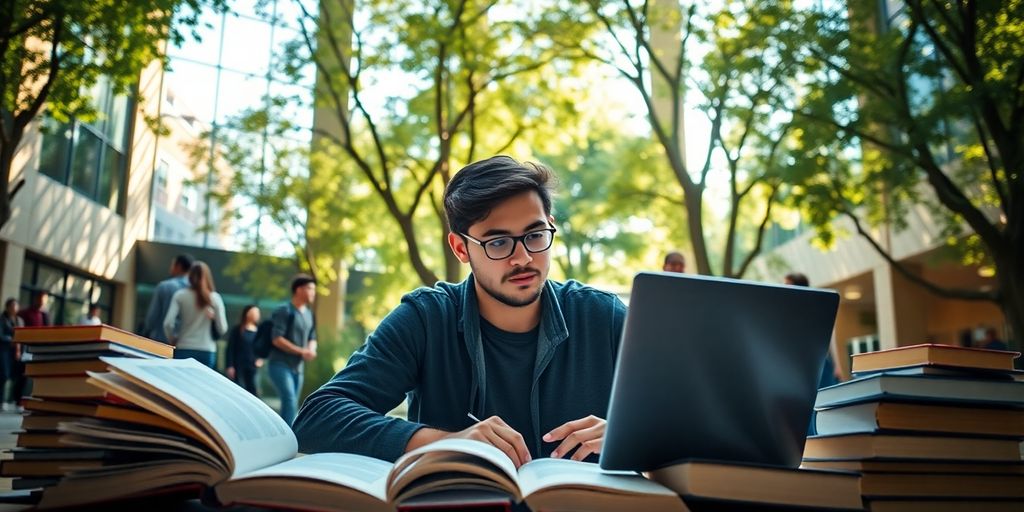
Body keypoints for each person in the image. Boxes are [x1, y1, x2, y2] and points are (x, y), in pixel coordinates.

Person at [293, 156, 627, 468]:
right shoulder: (426, 318)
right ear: (460, 248)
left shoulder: (603, 316)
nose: (523, 258)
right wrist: (448, 443)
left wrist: (623, 435)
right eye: (498, 243)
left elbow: (676, 413)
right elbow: (317, 418)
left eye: (535, 235)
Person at [267, 275, 318, 425]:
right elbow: (277, 339)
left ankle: (281, 433)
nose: (313, 293)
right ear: (298, 290)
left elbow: (312, 336)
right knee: (289, 400)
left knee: (292, 403)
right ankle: (290, 437)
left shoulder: (309, 314)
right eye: (310, 288)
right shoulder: (284, 311)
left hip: (298, 368)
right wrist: (302, 352)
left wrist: (311, 349)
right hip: (279, 365)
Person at [163, 261, 227, 369]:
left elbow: (168, 324)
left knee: (180, 384)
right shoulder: (215, 298)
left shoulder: (180, 295)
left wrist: (172, 339)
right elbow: (222, 329)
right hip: (207, 351)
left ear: (190, 276)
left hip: (184, 348)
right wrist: (213, 319)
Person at [143, 254, 194, 343]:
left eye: (172, 265)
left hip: (160, 340)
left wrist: (147, 331)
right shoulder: (194, 290)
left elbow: (151, 318)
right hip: (184, 343)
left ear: (178, 266)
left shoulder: (164, 286)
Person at [14, 291, 50, 410]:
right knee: (22, 375)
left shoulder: (45, 315)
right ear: (35, 299)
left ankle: (34, 401)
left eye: (44, 299)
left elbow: (48, 331)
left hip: (40, 350)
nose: (42, 301)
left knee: (38, 376)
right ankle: (18, 400)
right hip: (26, 349)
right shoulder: (25, 313)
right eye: (40, 298)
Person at [225, 305, 262, 396]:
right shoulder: (237, 330)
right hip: (238, 366)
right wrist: (230, 366)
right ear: (247, 313)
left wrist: (260, 359)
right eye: (254, 312)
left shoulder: (259, 331)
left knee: (253, 392)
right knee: (238, 390)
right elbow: (230, 348)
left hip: (252, 367)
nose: (256, 315)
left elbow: (262, 349)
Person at [1, 298, 23, 411]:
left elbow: (23, 334)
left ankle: (15, 400)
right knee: (4, 375)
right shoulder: (2, 319)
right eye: (12, 305)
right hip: (4, 351)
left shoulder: (20, 320)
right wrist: (11, 340)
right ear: (7, 307)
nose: (14, 308)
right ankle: (2, 400)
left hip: (17, 352)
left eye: (16, 305)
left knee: (18, 376)